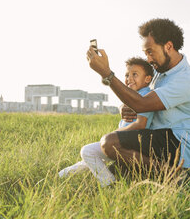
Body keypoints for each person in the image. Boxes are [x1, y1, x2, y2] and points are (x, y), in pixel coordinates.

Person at [86, 18, 190, 176]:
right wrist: (125, 106)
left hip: (174, 142)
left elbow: (141, 104)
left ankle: (172, 174)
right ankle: (156, 172)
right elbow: (139, 96)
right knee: (114, 173)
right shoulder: (159, 72)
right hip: (152, 138)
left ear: (168, 46)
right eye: (145, 53)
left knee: (110, 143)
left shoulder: (186, 79)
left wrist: (106, 74)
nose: (148, 58)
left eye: (150, 51)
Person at [59, 57, 154, 187]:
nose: (129, 78)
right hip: (124, 140)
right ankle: (62, 175)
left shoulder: (145, 97)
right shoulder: (132, 96)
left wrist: (114, 134)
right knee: (90, 158)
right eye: (127, 75)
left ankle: (109, 184)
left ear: (147, 79)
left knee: (87, 151)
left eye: (135, 75)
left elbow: (140, 124)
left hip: (130, 143)